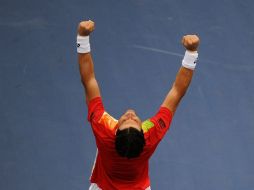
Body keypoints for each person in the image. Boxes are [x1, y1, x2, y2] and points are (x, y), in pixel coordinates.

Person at [76, 20, 200, 190]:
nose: (130, 114)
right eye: (133, 120)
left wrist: (82, 37)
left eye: (127, 119)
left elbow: (88, 81)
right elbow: (177, 93)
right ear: (143, 131)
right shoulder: (151, 135)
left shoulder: (103, 129)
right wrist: (191, 53)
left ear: (116, 129)